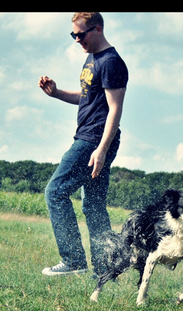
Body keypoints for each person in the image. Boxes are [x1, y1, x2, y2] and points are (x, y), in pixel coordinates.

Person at [36, 12, 127, 277]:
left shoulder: (111, 62)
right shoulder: (92, 58)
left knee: (55, 192)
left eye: (81, 34)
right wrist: (57, 93)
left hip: (93, 140)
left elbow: (114, 109)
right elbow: (88, 97)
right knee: (93, 206)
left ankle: (74, 259)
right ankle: (105, 269)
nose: (77, 40)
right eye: (73, 35)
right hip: (91, 138)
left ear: (97, 30)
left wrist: (101, 148)